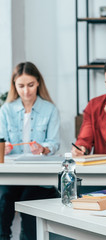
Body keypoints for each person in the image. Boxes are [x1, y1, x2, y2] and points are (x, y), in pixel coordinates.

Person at [0, 62, 60, 240]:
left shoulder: (50, 109)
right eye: (21, 86)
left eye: (31, 85)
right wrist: (5, 148)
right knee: (3, 201)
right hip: (13, 175)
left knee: (29, 205)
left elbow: (54, 143)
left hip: (38, 175)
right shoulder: (6, 110)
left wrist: (44, 148)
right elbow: (1, 141)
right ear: (14, 86)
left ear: (38, 83)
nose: (26, 91)